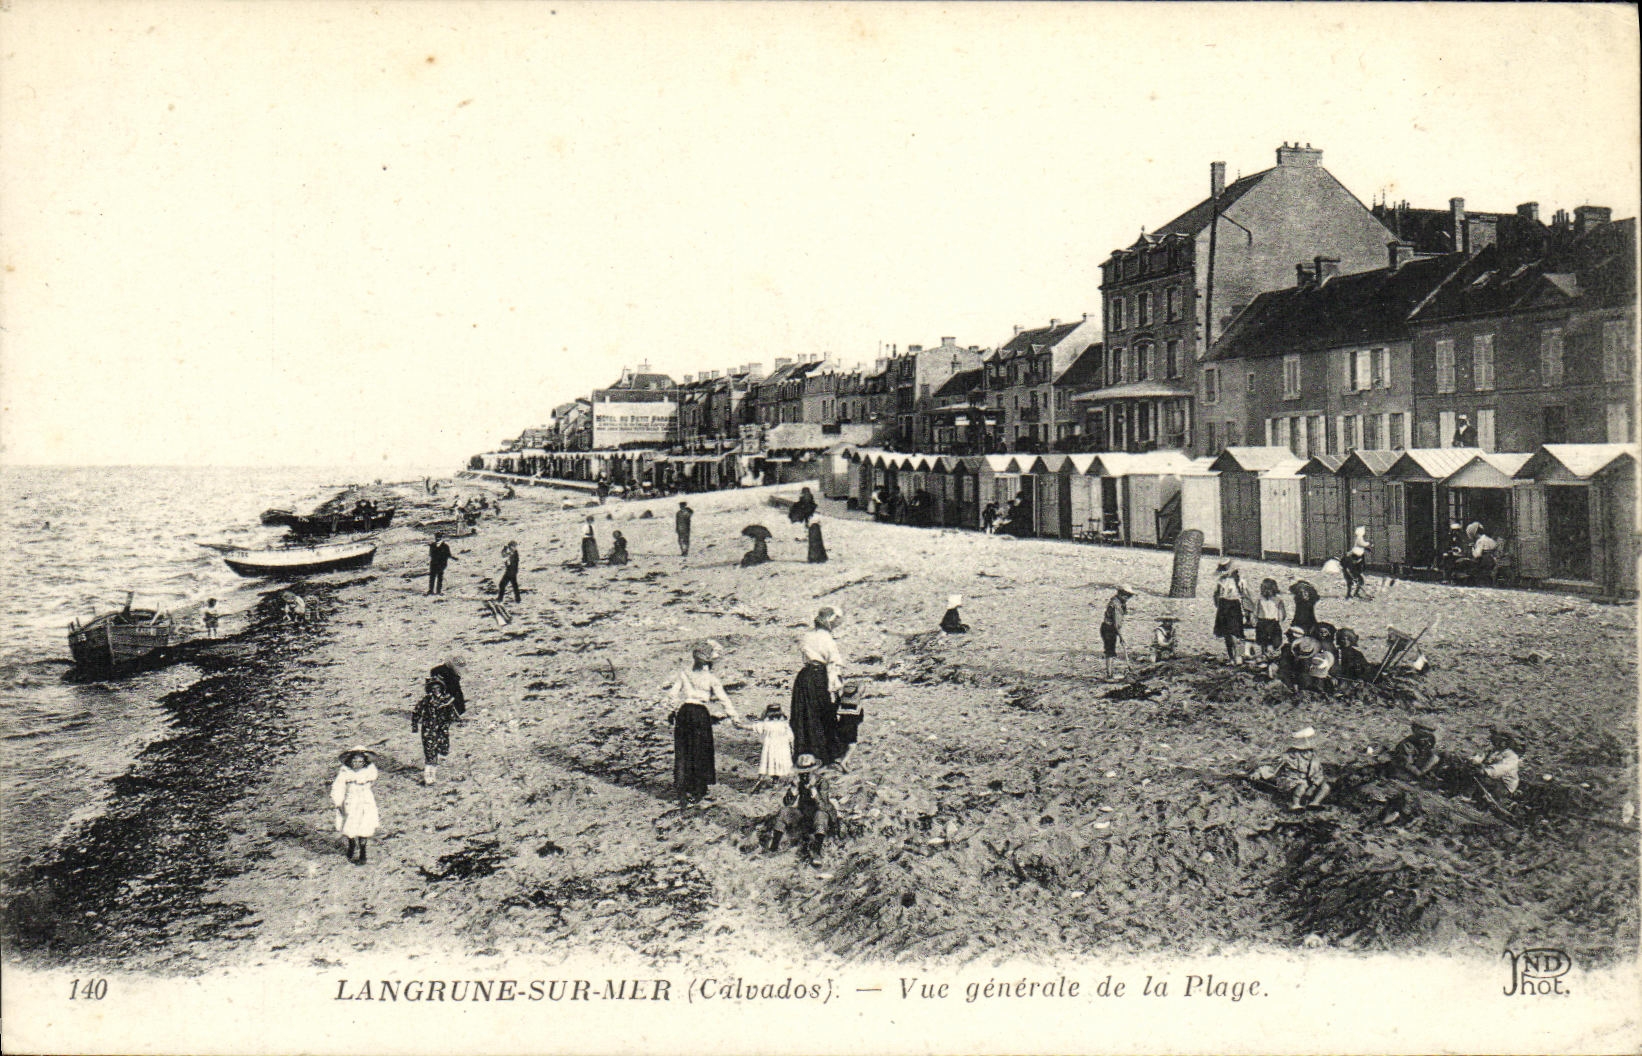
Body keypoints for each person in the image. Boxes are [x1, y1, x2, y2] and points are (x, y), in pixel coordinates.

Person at [664, 640, 742, 804]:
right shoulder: (711, 678)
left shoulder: (684, 673)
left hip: (684, 713)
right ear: (708, 662)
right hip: (700, 714)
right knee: (700, 751)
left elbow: (673, 694)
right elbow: (723, 699)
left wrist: (672, 710)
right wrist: (734, 717)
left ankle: (683, 787)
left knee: (684, 751)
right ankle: (699, 789)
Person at [790, 606, 846, 767]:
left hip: (804, 676)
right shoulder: (827, 639)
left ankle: (804, 750)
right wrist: (835, 686)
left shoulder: (807, 636)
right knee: (824, 711)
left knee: (804, 713)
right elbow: (834, 662)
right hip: (820, 677)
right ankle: (825, 752)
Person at [1249, 727, 1331, 810]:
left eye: (1308, 751)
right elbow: (1273, 767)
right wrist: (1258, 772)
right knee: (1302, 785)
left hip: (1308, 780)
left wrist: (1314, 785)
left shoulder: (1313, 756)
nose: (1307, 753)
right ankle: (1295, 804)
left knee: (1325, 787)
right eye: (1304, 751)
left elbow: (1317, 772)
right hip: (1291, 780)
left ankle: (1315, 803)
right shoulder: (1288, 755)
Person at [331, 746, 380, 864]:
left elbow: (372, 780)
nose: (357, 764)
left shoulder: (369, 770)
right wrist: (339, 802)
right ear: (350, 761)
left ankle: (363, 852)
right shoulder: (345, 772)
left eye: (360, 761)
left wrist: (364, 787)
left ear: (365, 762)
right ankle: (351, 844)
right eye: (355, 761)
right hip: (350, 800)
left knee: (364, 824)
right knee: (350, 824)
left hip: (365, 800)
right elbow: (338, 787)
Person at [412, 669, 459, 785]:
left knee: (441, 749)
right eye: (433, 688)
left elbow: (452, 712)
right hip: (429, 729)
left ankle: (433, 770)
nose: (435, 690)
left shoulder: (446, 700)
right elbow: (416, 712)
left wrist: (456, 720)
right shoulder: (426, 701)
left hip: (442, 729)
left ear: (441, 688)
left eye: (438, 688)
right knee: (429, 751)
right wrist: (414, 725)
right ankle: (428, 776)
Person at [751, 702, 795, 792]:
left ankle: (761, 779)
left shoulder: (766, 724)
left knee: (767, 763)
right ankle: (775, 782)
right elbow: (791, 737)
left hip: (770, 747)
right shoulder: (784, 724)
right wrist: (792, 747)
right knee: (777, 765)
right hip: (782, 748)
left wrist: (739, 725)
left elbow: (755, 727)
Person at [1469, 727, 1522, 801]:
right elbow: (1482, 757)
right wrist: (1474, 761)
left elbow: (1501, 769)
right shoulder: (1495, 751)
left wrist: (1486, 771)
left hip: (1503, 785)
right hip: (1493, 778)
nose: (1496, 742)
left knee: (1480, 777)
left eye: (1500, 740)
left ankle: (1471, 796)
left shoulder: (1512, 756)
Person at [1212, 560, 1249, 665]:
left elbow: (1245, 595)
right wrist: (1218, 604)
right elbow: (1216, 594)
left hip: (1234, 606)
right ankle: (1232, 657)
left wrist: (1246, 610)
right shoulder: (1221, 581)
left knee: (1235, 633)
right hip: (1224, 605)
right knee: (1227, 634)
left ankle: (1238, 655)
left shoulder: (1239, 581)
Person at [1099, 584, 1134, 681]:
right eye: (1125, 595)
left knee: (1111, 651)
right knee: (1110, 651)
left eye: (1129, 596)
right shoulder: (1116, 604)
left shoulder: (1119, 602)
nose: (1127, 598)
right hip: (1109, 628)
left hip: (1111, 627)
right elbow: (1116, 623)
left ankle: (1110, 673)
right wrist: (1121, 637)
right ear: (1120, 594)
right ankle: (1109, 675)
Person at [1254, 578, 1286, 659]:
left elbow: (1255, 613)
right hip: (1269, 622)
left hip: (1266, 622)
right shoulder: (1277, 600)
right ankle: (1268, 656)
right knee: (1271, 642)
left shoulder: (1260, 599)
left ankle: (1265, 656)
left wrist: (1254, 619)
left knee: (1265, 642)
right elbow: (1282, 615)